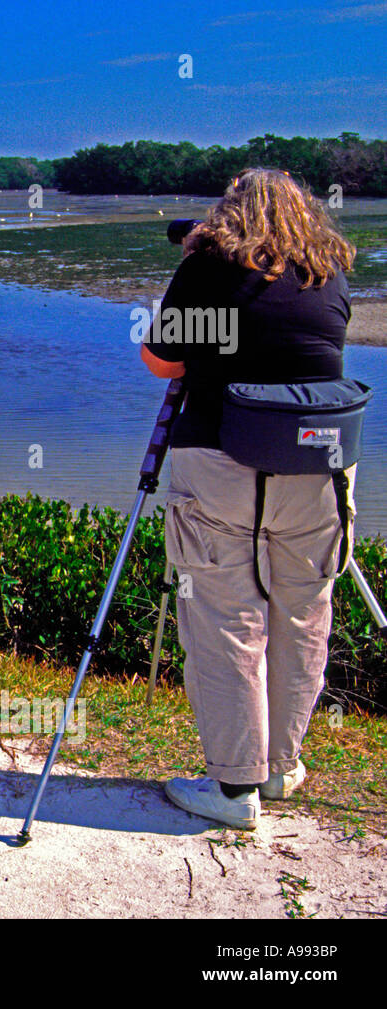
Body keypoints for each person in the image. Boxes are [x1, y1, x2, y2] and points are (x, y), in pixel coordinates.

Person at [141, 169, 357, 828]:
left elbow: (160, 359)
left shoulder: (211, 268)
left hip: (221, 460)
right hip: (317, 464)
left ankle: (234, 789)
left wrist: (192, 268)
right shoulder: (330, 271)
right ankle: (280, 765)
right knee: (302, 614)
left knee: (227, 617)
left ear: (228, 213)